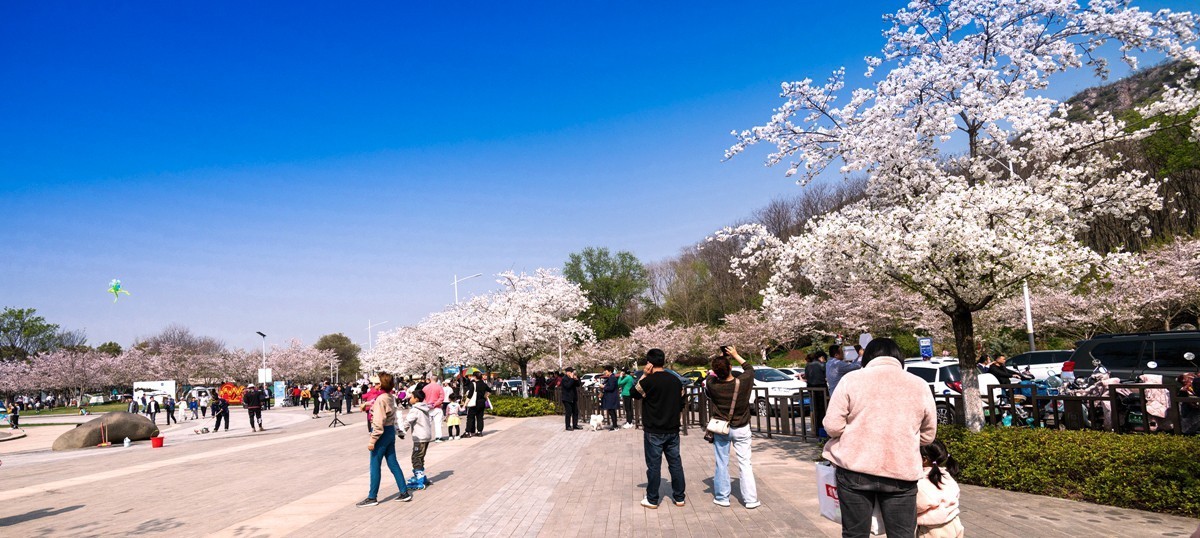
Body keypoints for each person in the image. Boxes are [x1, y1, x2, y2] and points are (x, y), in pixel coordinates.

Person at [823, 337, 937, 538]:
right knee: (902, 535)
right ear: (898, 358)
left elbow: (832, 426)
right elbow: (928, 435)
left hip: (854, 468)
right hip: (901, 470)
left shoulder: (851, 380)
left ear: (867, 357)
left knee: (855, 534)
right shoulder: (919, 384)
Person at [630, 348, 686, 509]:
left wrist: (644, 375)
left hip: (654, 430)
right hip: (673, 429)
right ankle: (679, 497)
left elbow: (634, 393)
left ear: (649, 363)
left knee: (654, 465)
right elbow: (682, 402)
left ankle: (652, 499)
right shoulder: (676, 381)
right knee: (675, 463)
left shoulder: (648, 381)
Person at [706, 346, 759, 509]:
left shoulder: (712, 384)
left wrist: (720, 360)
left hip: (721, 428)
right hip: (742, 427)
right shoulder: (743, 382)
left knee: (722, 462)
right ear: (730, 368)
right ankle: (750, 499)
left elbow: (712, 375)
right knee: (745, 463)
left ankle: (722, 497)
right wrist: (735, 355)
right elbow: (748, 368)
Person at [358, 372, 413, 507]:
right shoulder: (389, 396)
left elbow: (378, 422)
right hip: (389, 431)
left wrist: (372, 440)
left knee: (375, 464)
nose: (375, 385)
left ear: (382, 384)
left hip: (381, 433)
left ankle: (372, 497)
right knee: (392, 462)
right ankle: (403, 491)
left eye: (377, 383)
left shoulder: (381, 399)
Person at [916, 440, 963, 538]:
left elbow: (918, 505)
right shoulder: (946, 475)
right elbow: (956, 492)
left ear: (924, 459)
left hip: (932, 531)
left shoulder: (921, 481)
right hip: (954, 523)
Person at [403, 388, 435, 488]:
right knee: (420, 457)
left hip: (420, 437)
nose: (409, 398)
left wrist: (401, 431)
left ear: (416, 399)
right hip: (426, 436)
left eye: (411, 397)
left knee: (416, 457)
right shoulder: (425, 407)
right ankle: (420, 475)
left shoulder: (415, 409)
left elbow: (408, 421)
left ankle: (419, 479)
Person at [805, 350, 829, 438]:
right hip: (821, 388)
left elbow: (807, 377)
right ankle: (824, 429)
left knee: (815, 410)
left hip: (811, 389)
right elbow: (827, 375)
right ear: (821, 357)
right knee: (824, 409)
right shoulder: (822, 365)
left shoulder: (808, 365)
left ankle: (817, 429)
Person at [462, 371, 491, 438]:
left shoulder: (473, 384)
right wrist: (486, 395)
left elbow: (469, 396)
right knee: (480, 417)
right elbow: (489, 390)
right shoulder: (484, 384)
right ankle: (479, 432)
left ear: (475, 377)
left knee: (470, 418)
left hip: (474, 403)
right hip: (482, 403)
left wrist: (465, 404)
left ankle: (467, 432)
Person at [423, 376, 445, 442]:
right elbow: (441, 398)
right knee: (438, 423)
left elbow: (422, 397)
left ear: (430, 379)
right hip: (437, 407)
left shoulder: (425, 388)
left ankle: (426, 437)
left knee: (427, 423)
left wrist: (426, 404)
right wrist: (435, 404)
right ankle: (438, 437)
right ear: (437, 380)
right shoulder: (439, 387)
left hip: (427, 408)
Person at [600, 366, 621, 431]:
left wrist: (604, 387)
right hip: (610, 397)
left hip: (611, 397)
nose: (605, 372)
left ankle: (615, 426)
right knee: (611, 411)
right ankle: (615, 425)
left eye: (606, 371)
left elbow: (611, 388)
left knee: (612, 411)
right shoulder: (611, 377)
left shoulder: (612, 378)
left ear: (609, 371)